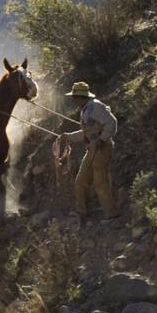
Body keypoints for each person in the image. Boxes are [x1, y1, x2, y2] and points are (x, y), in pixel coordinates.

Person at [57, 81, 118, 219]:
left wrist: (102, 140)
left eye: (74, 96)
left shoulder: (95, 107)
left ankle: (111, 213)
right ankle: (81, 211)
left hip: (101, 149)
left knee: (100, 183)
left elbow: (112, 123)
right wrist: (69, 137)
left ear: (80, 97)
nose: (72, 99)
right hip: (92, 150)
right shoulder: (86, 108)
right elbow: (88, 132)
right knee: (80, 181)